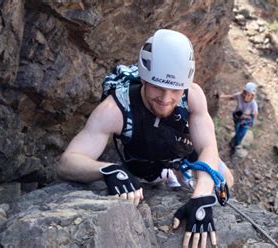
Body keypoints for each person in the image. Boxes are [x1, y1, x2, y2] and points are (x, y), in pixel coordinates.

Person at [57, 29, 233, 248]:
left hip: (184, 153)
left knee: (226, 180)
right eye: (158, 87)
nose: (166, 99)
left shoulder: (193, 95)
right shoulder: (116, 108)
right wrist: (108, 170)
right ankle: (169, 176)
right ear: (143, 78)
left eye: (175, 90)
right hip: (146, 166)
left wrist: (201, 195)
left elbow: (208, 146)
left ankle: (181, 177)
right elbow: (68, 162)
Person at [219, 82, 259, 153]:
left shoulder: (253, 105)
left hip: (246, 122)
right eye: (245, 93)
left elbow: (254, 115)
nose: (246, 96)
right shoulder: (239, 96)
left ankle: (234, 146)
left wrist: (248, 118)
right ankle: (234, 140)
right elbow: (231, 97)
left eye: (249, 95)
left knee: (240, 134)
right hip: (237, 118)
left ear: (252, 96)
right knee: (237, 131)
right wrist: (220, 96)